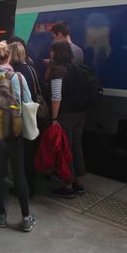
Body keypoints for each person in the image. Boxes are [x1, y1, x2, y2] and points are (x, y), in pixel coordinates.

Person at [0, 41, 36, 231]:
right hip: (14, 132)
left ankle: (1, 216)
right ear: (8, 57)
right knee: (19, 175)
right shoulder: (17, 77)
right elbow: (28, 103)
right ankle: (26, 218)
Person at [46, 41, 86, 198]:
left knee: (65, 150)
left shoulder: (58, 71)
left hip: (65, 115)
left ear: (57, 53)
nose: (50, 54)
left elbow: (56, 97)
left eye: (52, 51)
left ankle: (68, 186)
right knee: (77, 147)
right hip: (80, 114)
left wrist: (54, 118)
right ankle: (79, 183)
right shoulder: (77, 68)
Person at [9, 41, 41, 198]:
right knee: (29, 153)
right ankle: (31, 186)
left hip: (14, 118)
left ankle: (20, 188)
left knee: (17, 157)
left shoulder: (10, 72)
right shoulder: (31, 69)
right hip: (31, 114)